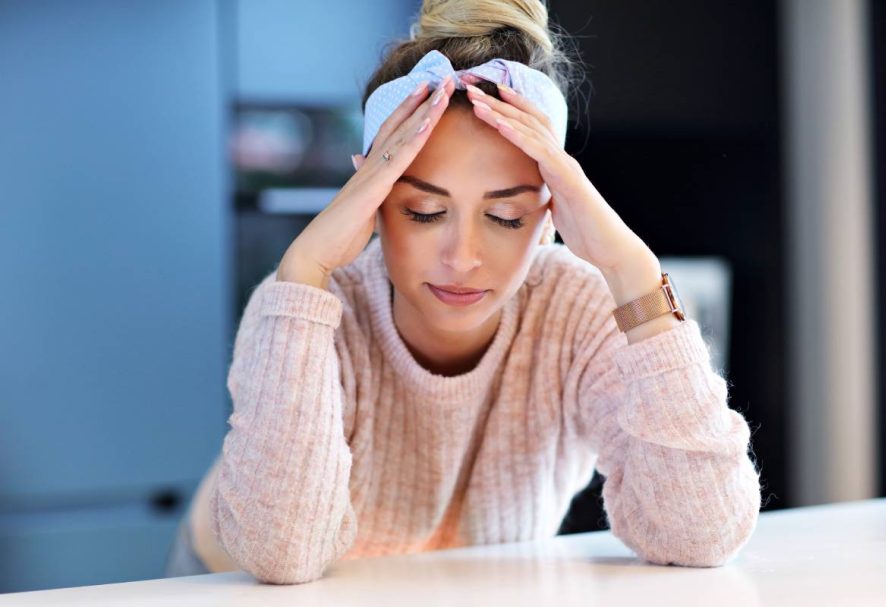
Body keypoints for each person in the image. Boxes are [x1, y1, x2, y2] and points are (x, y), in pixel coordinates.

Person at [164, 0, 762, 584]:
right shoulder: (310, 304)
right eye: (424, 211)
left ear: (551, 212)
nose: (462, 258)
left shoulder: (578, 311)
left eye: (505, 217)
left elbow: (701, 536)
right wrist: (305, 265)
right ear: (368, 202)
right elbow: (279, 555)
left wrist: (635, 272)